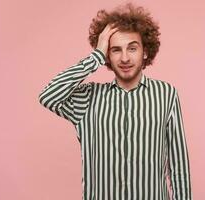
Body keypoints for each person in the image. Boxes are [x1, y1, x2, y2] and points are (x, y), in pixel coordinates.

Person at [39, 3, 192, 200]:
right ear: (108, 57)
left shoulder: (166, 94)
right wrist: (96, 56)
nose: (125, 58)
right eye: (116, 50)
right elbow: (48, 95)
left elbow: (179, 168)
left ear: (145, 51)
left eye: (132, 48)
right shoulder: (88, 99)